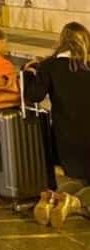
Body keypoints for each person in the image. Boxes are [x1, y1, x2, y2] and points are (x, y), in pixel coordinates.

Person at [25, 22, 90, 228]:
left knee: (78, 177)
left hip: (64, 135)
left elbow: (33, 96)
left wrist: (28, 73)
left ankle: (52, 198)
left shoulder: (50, 65)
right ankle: (74, 203)